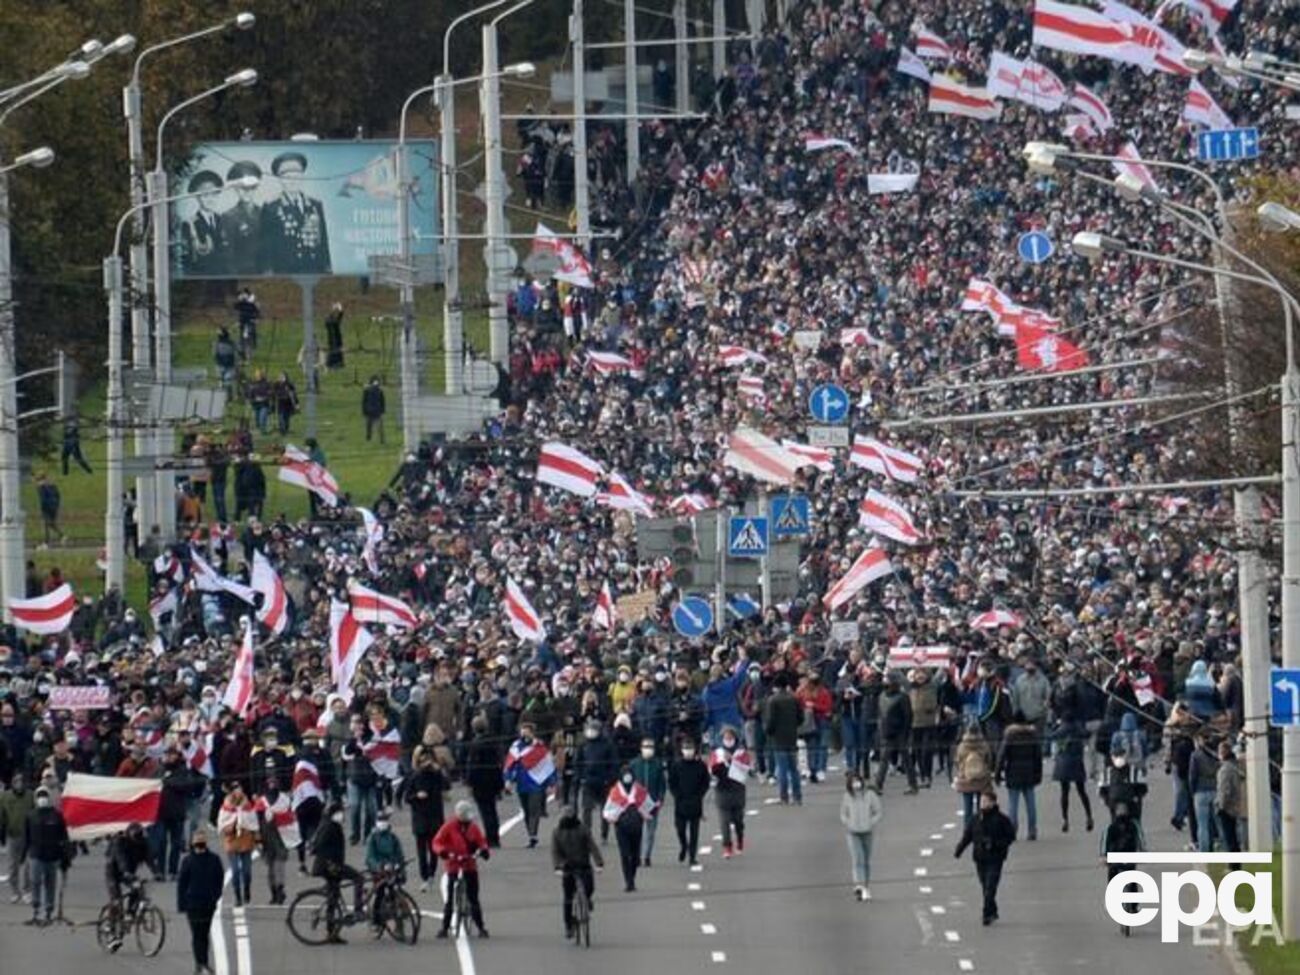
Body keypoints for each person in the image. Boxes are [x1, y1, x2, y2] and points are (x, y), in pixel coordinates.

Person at [261, 152, 331, 274]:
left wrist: (327, 269)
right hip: (284, 273)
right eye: (287, 177)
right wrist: (269, 275)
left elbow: (323, 243)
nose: (292, 181)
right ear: (280, 180)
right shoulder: (271, 208)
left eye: (296, 176)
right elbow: (266, 248)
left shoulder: (315, 205)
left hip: (313, 270)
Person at [954, 790, 1016, 926]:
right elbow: (967, 836)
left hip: (995, 858)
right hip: (980, 858)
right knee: (984, 886)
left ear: (993, 803)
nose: (983, 804)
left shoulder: (1001, 820)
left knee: (990, 886)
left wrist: (995, 844)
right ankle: (993, 910)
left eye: (986, 801)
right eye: (982, 801)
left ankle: (986, 914)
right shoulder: (976, 819)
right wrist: (959, 849)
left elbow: (1010, 837)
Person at [432, 800, 490, 938]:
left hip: (469, 863)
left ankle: (481, 927)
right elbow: (437, 842)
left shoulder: (473, 827)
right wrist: (443, 852)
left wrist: (484, 850)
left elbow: (481, 841)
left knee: (473, 897)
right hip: (454, 863)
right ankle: (445, 927)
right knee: (450, 899)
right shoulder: (449, 826)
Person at [308, 800, 364, 941]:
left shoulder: (329, 824)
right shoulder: (329, 827)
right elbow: (318, 846)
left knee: (334, 895)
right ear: (334, 813)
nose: (343, 815)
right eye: (341, 812)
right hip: (330, 866)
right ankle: (358, 910)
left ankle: (331, 932)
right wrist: (329, 861)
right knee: (358, 878)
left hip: (329, 866)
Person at [551, 804, 604, 939]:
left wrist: (599, 863)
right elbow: (555, 851)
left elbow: (592, 846)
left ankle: (586, 900)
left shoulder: (582, 829)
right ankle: (569, 926)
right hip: (568, 866)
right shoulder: (557, 832)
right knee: (568, 898)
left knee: (589, 887)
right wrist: (558, 867)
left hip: (583, 864)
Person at [177, 828, 224, 975]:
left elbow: (182, 884)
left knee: (200, 934)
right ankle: (202, 963)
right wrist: (216, 896)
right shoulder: (213, 859)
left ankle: (201, 963)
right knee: (201, 934)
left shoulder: (188, 861)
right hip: (202, 903)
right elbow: (219, 880)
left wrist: (181, 904)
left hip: (198, 903)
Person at [23, 784, 70, 926]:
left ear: (49, 798)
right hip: (36, 855)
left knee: (50, 884)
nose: (42, 798)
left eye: (44, 796)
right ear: (35, 799)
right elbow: (26, 837)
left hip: (52, 855)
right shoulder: (30, 815)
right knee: (35, 882)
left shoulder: (56, 815)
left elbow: (64, 836)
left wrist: (65, 856)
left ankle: (49, 910)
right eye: (39, 796)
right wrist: (23, 855)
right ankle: (36, 910)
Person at [504, 722, 556, 848]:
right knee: (526, 810)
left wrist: (551, 783)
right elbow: (509, 765)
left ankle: (533, 835)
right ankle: (530, 833)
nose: (525, 735)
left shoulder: (539, 747)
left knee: (534, 810)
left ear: (532, 733)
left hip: (536, 783)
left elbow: (548, 766)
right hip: (522, 783)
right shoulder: (515, 748)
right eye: (523, 732)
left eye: (527, 732)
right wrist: (508, 780)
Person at [602, 765, 653, 891]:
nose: (627, 776)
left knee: (635, 856)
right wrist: (614, 817)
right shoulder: (615, 791)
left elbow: (649, 806)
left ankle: (632, 877)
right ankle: (629, 882)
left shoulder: (639, 790)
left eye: (629, 773)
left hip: (637, 827)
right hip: (622, 828)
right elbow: (608, 810)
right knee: (625, 855)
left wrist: (646, 814)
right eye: (625, 774)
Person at [407, 743, 448, 891]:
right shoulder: (414, 776)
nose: (426, 763)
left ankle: (430, 874)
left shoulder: (436, 775)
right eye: (423, 759)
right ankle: (424, 876)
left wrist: (440, 771)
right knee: (421, 851)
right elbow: (407, 797)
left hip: (435, 815)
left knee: (434, 849)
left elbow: (446, 786)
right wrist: (416, 796)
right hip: (420, 817)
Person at [105, 821, 151, 946]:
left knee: (138, 889)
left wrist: (157, 872)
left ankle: (130, 913)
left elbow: (149, 858)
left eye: (139, 836)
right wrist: (125, 871)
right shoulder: (119, 842)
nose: (137, 840)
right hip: (114, 872)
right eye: (135, 836)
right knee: (116, 900)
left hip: (129, 872)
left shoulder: (142, 843)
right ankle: (110, 927)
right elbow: (121, 858)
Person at [997, 714, 1042, 840]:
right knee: (1031, 804)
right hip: (1029, 772)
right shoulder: (1032, 735)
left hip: (1013, 772)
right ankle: (1032, 830)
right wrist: (1038, 774)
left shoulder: (1010, 735)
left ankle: (1012, 830)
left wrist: (998, 773)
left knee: (1013, 804)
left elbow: (1002, 755)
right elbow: (1038, 756)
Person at [839, 772, 883, 901]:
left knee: (866, 860)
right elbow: (843, 814)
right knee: (857, 859)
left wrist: (870, 822)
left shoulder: (870, 795)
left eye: (857, 781)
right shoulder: (847, 797)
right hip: (852, 832)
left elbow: (878, 811)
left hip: (867, 831)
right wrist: (848, 823)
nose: (855, 784)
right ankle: (859, 885)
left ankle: (866, 887)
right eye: (853, 782)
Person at [574, 717, 619, 842]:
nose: (591, 732)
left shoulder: (607, 744)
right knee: (586, 809)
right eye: (589, 729)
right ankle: (586, 833)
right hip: (588, 782)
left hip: (603, 782)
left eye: (593, 729)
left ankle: (604, 833)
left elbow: (614, 764)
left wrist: (610, 779)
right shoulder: (583, 745)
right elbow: (577, 762)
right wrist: (580, 777)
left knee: (604, 809)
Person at [253, 776, 297, 905]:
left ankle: (280, 891)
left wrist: (278, 817)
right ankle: (274, 893)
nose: (272, 786)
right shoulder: (261, 802)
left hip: (281, 837)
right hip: (267, 838)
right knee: (271, 868)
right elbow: (256, 822)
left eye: (274, 784)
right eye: (270, 784)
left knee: (279, 866)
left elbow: (291, 817)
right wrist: (258, 839)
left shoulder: (284, 800)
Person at [667, 738, 709, 866]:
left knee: (694, 832)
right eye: (686, 748)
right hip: (680, 803)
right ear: (682, 750)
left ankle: (692, 856)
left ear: (695, 750)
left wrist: (700, 795)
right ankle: (683, 845)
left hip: (695, 802)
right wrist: (677, 795)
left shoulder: (700, 766)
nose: (688, 751)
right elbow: (671, 783)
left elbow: (705, 782)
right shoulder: (676, 766)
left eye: (690, 748)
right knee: (680, 829)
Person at [710, 725, 750, 858]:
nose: (728, 739)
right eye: (726, 737)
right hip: (722, 791)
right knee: (724, 822)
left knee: (738, 821)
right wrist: (722, 763)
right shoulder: (717, 753)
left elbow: (745, 769)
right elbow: (712, 769)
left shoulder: (741, 752)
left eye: (730, 737)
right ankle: (727, 847)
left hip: (737, 791)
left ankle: (740, 839)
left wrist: (733, 760)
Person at [762, 673, 803, 805]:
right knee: (794, 769)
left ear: (776, 686)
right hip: (792, 736)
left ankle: (784, 796)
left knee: (782, 769)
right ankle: (797, 796)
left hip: (778, 738)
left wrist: (768, 731)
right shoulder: (794, 699)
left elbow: (770, 721)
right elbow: (800, 718)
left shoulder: (773, 700)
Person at [364, 810, 406, 932]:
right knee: (380, 893)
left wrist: (400, 866)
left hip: (392, 868)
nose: (383, 823)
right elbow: (370, 858)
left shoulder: (393, 837)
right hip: (378, 870)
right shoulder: (372, 838)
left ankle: (399, 923)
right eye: (380, 820)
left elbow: (399, 854)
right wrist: (379, 867)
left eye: (385, 820)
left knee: (396, 893)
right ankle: (376, 920)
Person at [217, 783, 258, 907]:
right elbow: (221, 823)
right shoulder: (226, 806)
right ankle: (237, 896)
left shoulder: (247, 806)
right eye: (236, 790)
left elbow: (253, 822)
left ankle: (246, 890)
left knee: (247, 872)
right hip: (232, 840)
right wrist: (230, 826)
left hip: (245, 840)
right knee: (235, 871)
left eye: (240, 790)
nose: (238, 792)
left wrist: (250, 830)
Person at [1052, 718, 1095, 833]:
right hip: (1077, 762)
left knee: (1064, 793)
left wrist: (1056, 725)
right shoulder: (1078, 728)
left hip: (1063, 763)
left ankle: (1065, 819)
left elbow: (1052, 736)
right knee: (1082, 791)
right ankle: (1089, 816)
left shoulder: (1060, 729)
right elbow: (1088, 734)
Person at [181, 171, 227, 276]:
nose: (210, 199)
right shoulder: (190, 224)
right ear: (197, 197)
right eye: (205, 195)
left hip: (224, 277)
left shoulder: (223, 220)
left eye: (214, 194)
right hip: (201, 278)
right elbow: (188, 259)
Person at [220, 166, 263, 277]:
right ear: (236, 189)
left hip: (263, 274)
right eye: (242, 188)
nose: (247, 192)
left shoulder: (264, 213)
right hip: (241, 275)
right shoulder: (228, 217)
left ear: (256, 188)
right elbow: (228, 255)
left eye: (251, 188)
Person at [630, 737, 666, 866]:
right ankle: (637, 856)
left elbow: (662, 784)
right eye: (645, 747)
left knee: (650, 832)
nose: (648, 750)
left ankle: (647, 856)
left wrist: (660, 799)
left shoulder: (658, 764)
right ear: (641, 748)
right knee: (637, 831)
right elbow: (629, 783)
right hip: (637, 803)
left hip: (652, 802)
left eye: (650, 747)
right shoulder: (634, 764)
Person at [2, 771, 34, 902]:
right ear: (12, 783)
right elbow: (2, 815)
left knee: (29, 865)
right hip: (12, 834)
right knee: (12, 866)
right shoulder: (5, 796)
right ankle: (15, 891)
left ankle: (27, 891)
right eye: (16, 781)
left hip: (29, 835)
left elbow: (36, 812)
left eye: (22, 781)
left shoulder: (30, 795)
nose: (19, 784)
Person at [1214, 741, 1246, 869]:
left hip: (1226, 808)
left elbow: (1224, 790)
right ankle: (1236, 864)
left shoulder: (1225, 770)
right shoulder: (1234, 767)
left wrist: (1221, 806)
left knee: (1229, 838)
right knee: (1233, 837)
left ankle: (1233, 866)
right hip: (1234, 806)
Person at [1189, 731, 1222, 854]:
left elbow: (1192, 775)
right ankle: (1223, 847)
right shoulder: (1217, 754)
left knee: (1202, 825)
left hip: (1200, 791)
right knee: (1218, 823)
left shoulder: (1196, 755)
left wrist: (1192, 791)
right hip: (1215, 789)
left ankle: (1204, 850)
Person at [953, 724, 994, 822]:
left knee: (968, 809)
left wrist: (961, 771)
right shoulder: (983, 745)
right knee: (982, 807)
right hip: (981, 780)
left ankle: (968, 828)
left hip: (966, 779)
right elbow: (989, 760)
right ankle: (981, 828)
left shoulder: (962, 746)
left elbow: (957, 761)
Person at [36, 474, 61, 547]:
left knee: (47, 524)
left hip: (47, 508)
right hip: (54, 507)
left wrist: (42, 508)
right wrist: (56, 505)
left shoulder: (42, 487)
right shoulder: (52, 486)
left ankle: (47, 542)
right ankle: (61, 536)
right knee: (50, 524)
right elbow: (58, 496)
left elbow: (43, 499)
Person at [362, 375, 386, 443]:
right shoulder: (368, 390)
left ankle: (380, 439)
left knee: (377, 426)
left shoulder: (378, 390)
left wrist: (382, 410)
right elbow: (364, 401)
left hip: (374, 410)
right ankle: (370, 438)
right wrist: (364, 411)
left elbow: (382, 401)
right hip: (371, 410)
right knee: (370, 426)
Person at [324, 302, 345, 369]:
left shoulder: (331, 321)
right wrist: (337, 309)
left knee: (336, 352)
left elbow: (338, 319)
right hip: (334, 340)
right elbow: (336, 320)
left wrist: (339, 309)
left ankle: (336, 364)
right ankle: (332, 364)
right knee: (334, 352)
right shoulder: (330, 322)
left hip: (335, 340)